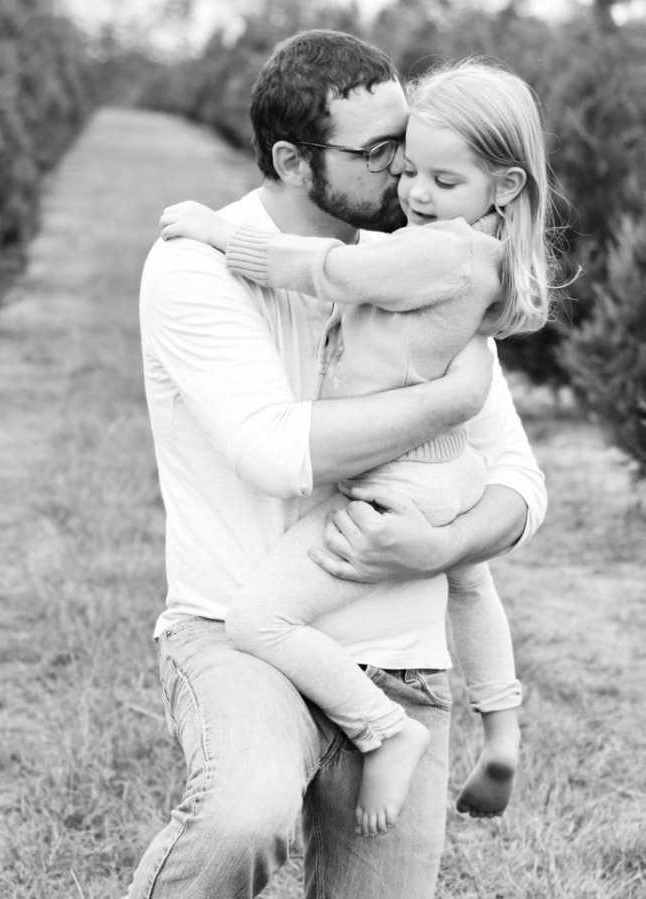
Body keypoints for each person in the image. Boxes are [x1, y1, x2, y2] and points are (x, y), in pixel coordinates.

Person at [134, 30, 546, 899]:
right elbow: (279, 451)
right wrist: (446, 399)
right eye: (384, 154)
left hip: (401, 655)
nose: (407, 176)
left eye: (418, 149)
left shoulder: (425, 258)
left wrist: (441, 548)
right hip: (237, 632)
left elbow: (517, 481)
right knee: (239, 817)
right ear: (292, 159)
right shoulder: (195, 267)